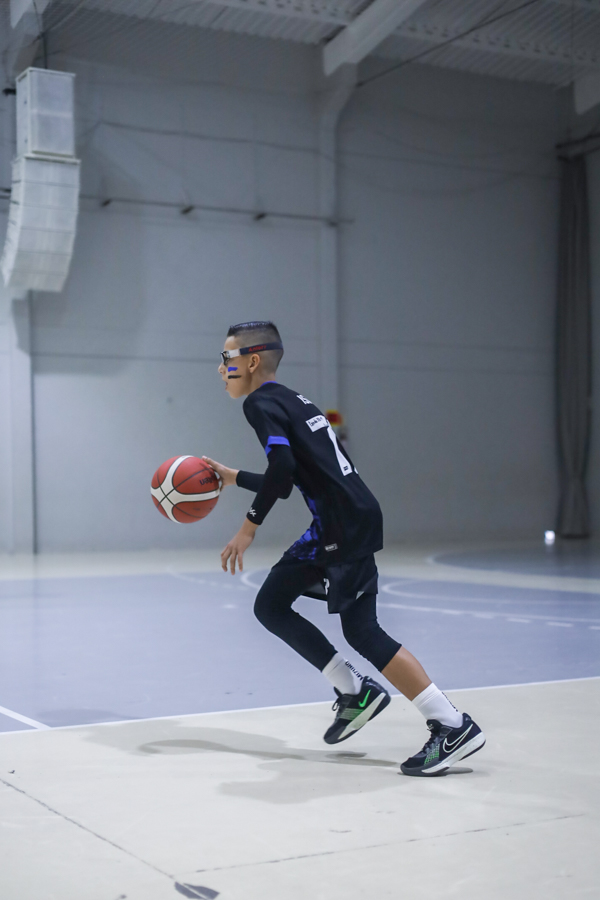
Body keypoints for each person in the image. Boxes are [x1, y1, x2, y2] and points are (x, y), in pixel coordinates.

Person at [204, 321, 485, 776]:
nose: (221, 368)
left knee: (363, 632)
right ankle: (356, 692)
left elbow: (282, 469)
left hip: (342, 524)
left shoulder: (259, 403)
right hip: (344, 518)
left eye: (227, 358)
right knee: (271, 604)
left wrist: (248, 528)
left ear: (252, 361)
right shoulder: (293, 399)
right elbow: (289, 477)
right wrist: (236, 478)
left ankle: (451, 725)